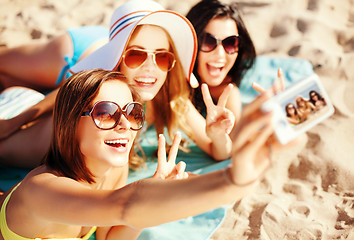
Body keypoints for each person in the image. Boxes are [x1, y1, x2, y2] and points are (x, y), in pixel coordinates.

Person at [0, 68, 281, 240]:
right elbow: (125, 205)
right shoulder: (42, 189)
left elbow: (113, 232)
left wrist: (154, 197)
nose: (124, 125)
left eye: (133, 113)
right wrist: (234, 179)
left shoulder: (112, 168)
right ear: (70, 123)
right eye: (106, 113)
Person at [0, 0, 234, 168]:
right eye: (136, 55)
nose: (151, 68)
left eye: (162, 57)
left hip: (116, 38)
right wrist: (14, 122)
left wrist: (218, 135)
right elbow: (67, 91)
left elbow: (220, 151)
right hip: (73, 52)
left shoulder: (169, 97)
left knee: (9, 80)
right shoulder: (97, 86)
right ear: (116, 57)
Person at [185, 0, 256, 122]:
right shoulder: (169, 83)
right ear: (191, 42)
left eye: (230, 43)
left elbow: (233, 138)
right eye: (208, 41)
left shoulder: (229, 91)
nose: (220, 54)